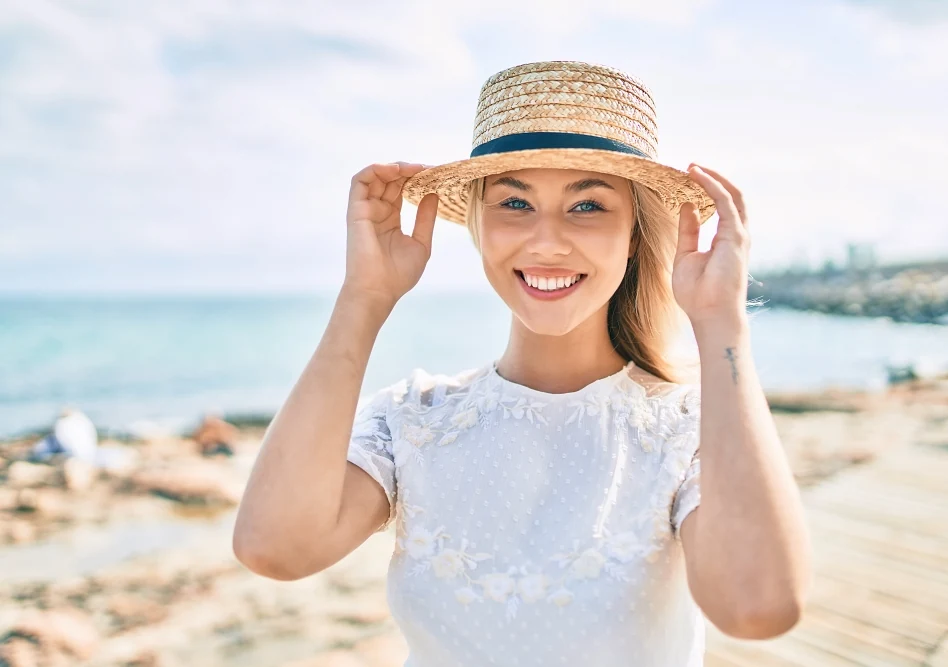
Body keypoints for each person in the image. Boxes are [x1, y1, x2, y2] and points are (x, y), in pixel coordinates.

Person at [233, 61, 811, 666]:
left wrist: (722, 326)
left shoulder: (687, 428)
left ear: (635, 234)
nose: (546, 241)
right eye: (515, 202)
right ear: (479, 226)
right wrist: (364, 298)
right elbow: (275, 548)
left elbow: (758, 606)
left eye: (588, 206)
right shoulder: (416, 420)